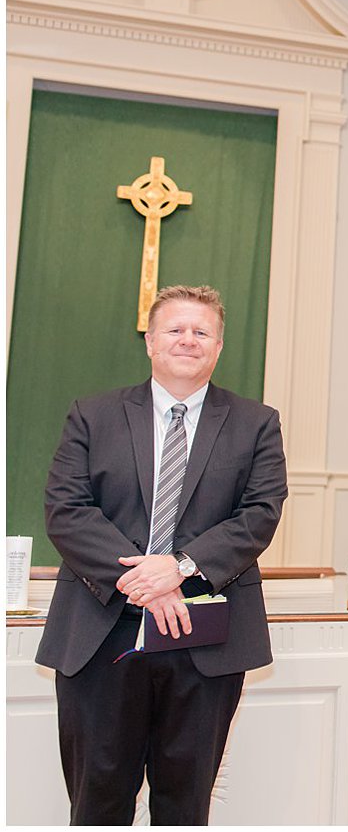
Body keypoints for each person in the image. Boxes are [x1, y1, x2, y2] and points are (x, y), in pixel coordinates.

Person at [36, 285, 288, 824]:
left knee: (185, 805)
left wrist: (178, 567)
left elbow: (260, 513)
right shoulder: (92, 415)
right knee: (97, 802)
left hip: (206, 639)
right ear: (150, 340)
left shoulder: (256, 423)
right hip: (100, 633)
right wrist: (145, 580)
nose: (188, 340)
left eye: (202, 332)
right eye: (175, 329)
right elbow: (66, 509)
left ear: (219, 347)